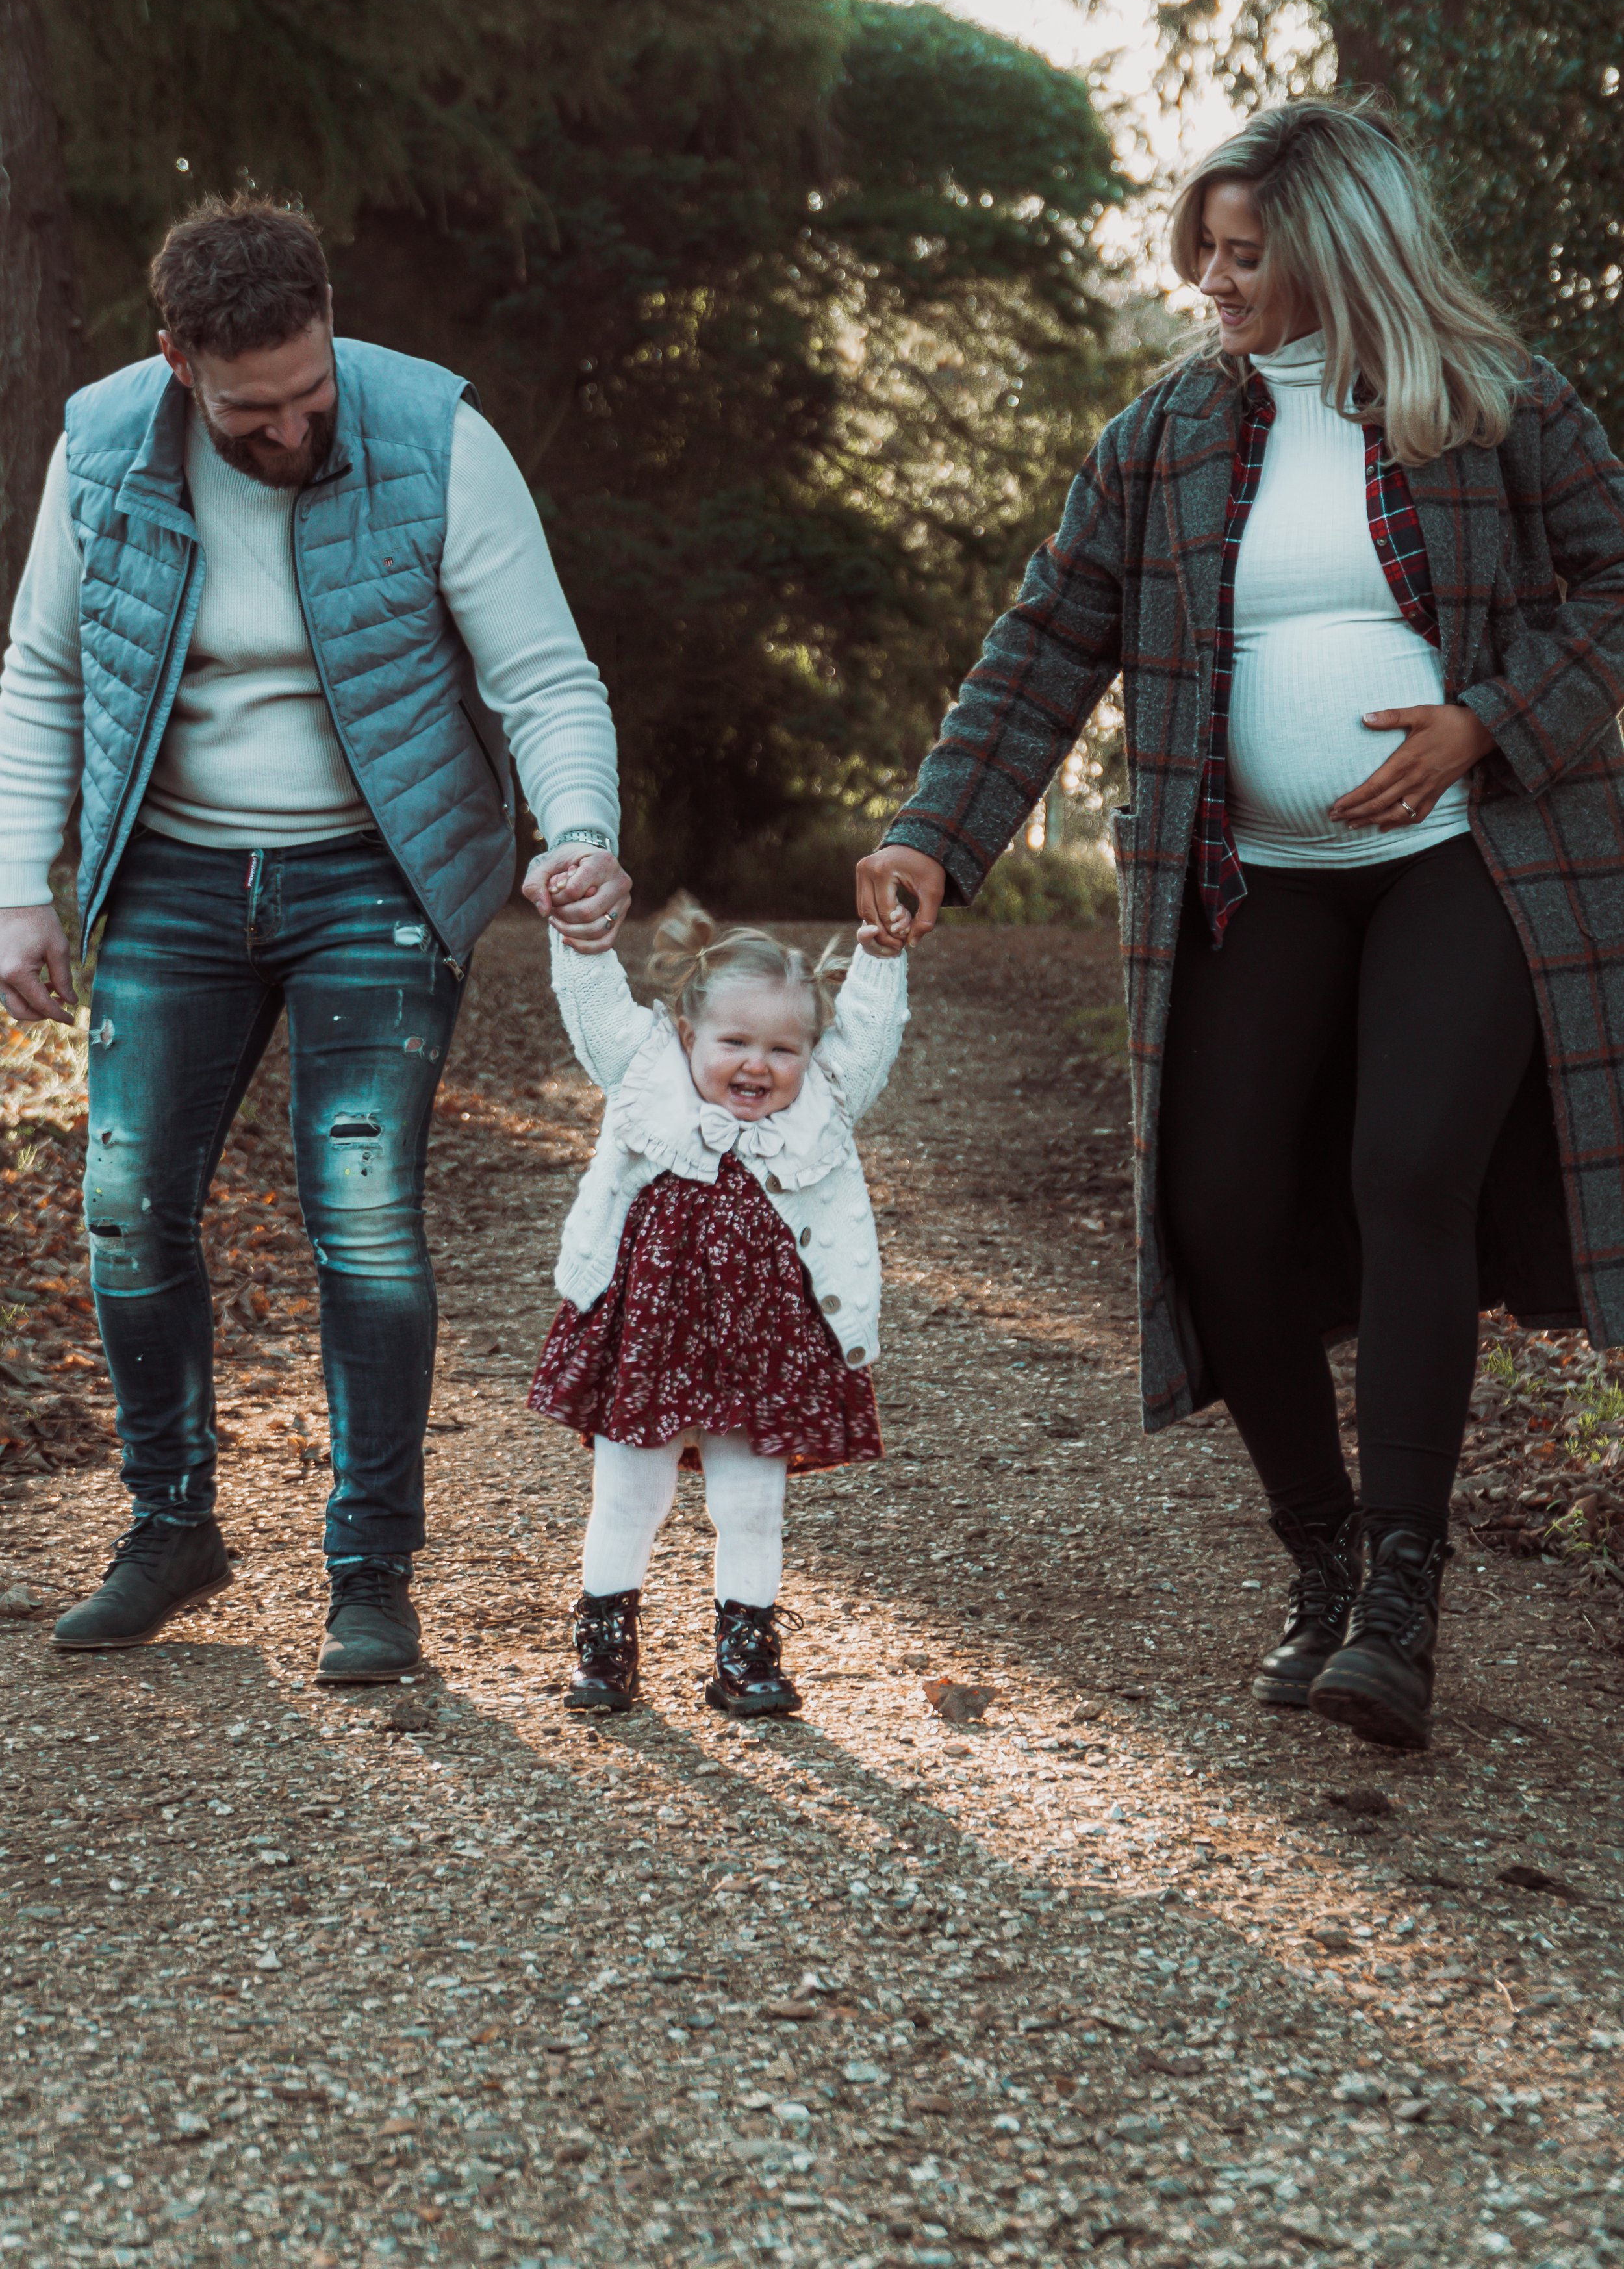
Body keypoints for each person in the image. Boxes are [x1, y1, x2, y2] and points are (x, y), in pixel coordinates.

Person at [859, 96, 1624, 1752]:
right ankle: (1323, 1549)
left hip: (1465, 856)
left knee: (1407, 1167)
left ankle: (1403, 1598)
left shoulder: (1492, 407)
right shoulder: (1165, 437)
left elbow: (1618, 585)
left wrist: (1485, 717)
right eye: (1201, 250)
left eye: (1244, 253)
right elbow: (1048, 636)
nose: (1212, 280)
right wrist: (937, 830)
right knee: (1212, 1207)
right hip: (1245, 872)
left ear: (1338, 251)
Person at [0, 194, 631, 1684]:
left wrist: (579, 828)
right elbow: (40, 670)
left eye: (308, 392)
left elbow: (544, 673)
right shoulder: (101, 446)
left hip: (381, 869)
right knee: (124, 1198)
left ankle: (371, 1565)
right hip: (173, 872)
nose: (289, 431)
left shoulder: (435, 436)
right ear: (177, 364)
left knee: (362, 1207)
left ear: (332, 326)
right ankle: (170, 1524)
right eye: (249, 410)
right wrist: (20, 878)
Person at [528, 894, 907, 1716]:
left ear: (811, 1051)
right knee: (630, 1494)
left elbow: (871, 1038)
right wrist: (578, 938)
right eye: (734, 1042)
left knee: (750, 1502)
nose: (758, 1065)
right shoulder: (645, 1074)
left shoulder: (823, 1103)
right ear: (687, 1033)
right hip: (649, 1337)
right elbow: (595, 1010)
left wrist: (882, 953)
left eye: (783, 1048)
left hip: (764, 1344)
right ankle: (604, 1645)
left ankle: (745, 1650)